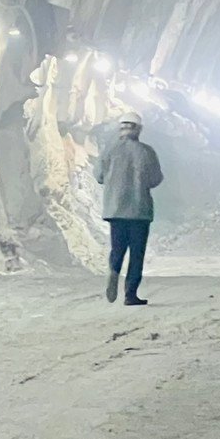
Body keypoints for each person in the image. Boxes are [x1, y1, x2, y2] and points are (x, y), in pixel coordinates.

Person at [94, 112, 163, 305]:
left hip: (115, 209)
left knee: (118, 248)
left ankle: (114, 270)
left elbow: (99, 176)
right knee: (136, 253)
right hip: (139, 210)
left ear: (121, 129)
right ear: (138, 130)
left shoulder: (109, 151)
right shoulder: (146, 152)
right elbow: (155, 179)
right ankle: (130, 294)